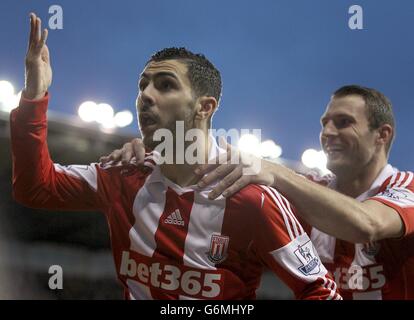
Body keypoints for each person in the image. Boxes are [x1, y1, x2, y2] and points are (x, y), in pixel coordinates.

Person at [10, 13, 341, 300]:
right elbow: (35, 188)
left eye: (165, 85)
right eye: (142, 86)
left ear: (205, 106)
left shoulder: (254, 199)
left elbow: (319, 290)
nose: (145, 97)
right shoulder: (122, 177)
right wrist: (34, 95)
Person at [108, 85, 414, 300]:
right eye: (325, 123)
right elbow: (208, 168)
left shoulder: (406, 188)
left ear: (382, 135)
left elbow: (366, 225)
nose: (328, 132)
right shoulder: (306, 191)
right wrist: (157, 153)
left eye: (344, 122)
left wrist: (273, 170)